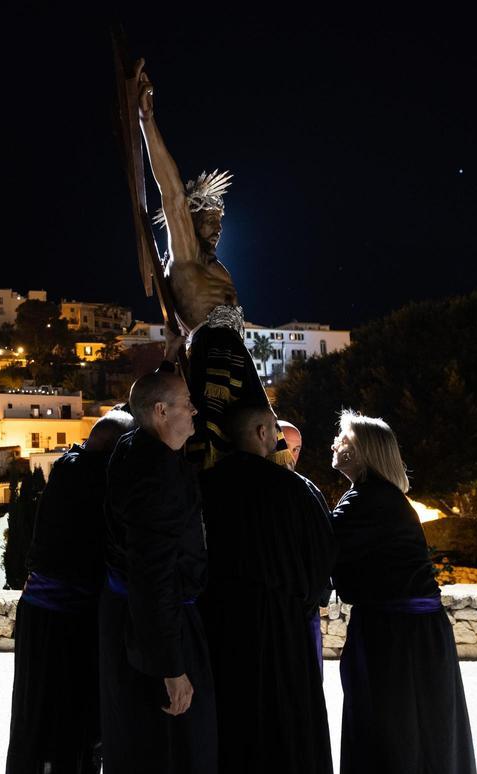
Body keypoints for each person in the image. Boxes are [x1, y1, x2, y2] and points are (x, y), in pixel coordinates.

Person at [329, 411, 477, 774]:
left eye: (342, 439)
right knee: (420, 739)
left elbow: (317, 544)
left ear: (365, 451)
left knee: (399, 742)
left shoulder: (369, 501)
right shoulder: (379, 497)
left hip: (399, 642)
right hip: (410, 636)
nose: (333, 444)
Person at [136, 61, 277, 470]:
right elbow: (171, 193)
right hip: (213, 354)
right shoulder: (186, 258)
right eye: (208, 222)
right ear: (190, 224)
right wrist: (148, 121)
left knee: (259, 437)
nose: (216, 230)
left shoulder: (219, 266)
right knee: (218, 444)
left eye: (220, 223)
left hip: (234, 355)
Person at [200, 404, 337, 774]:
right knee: (288, 731)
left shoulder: (206, 485)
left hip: (223, 630)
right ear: (262, 433)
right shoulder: (296, 489)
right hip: (284, 632)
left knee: (235, 728)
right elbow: (322, 563)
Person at [4, 409, 135, 774]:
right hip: (69, 623)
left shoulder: (68, 467)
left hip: (43, 617)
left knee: (39, 720)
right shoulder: (97, 478)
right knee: (73, 722)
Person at [100, 369, 216, 774]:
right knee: (170, 758)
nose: (194, 410)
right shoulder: (155, 474)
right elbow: (153, 572)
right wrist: (171, 666)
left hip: (140, 620)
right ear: (161, 412)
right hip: (155, 635)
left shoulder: (137, 448)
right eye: (187, 403)